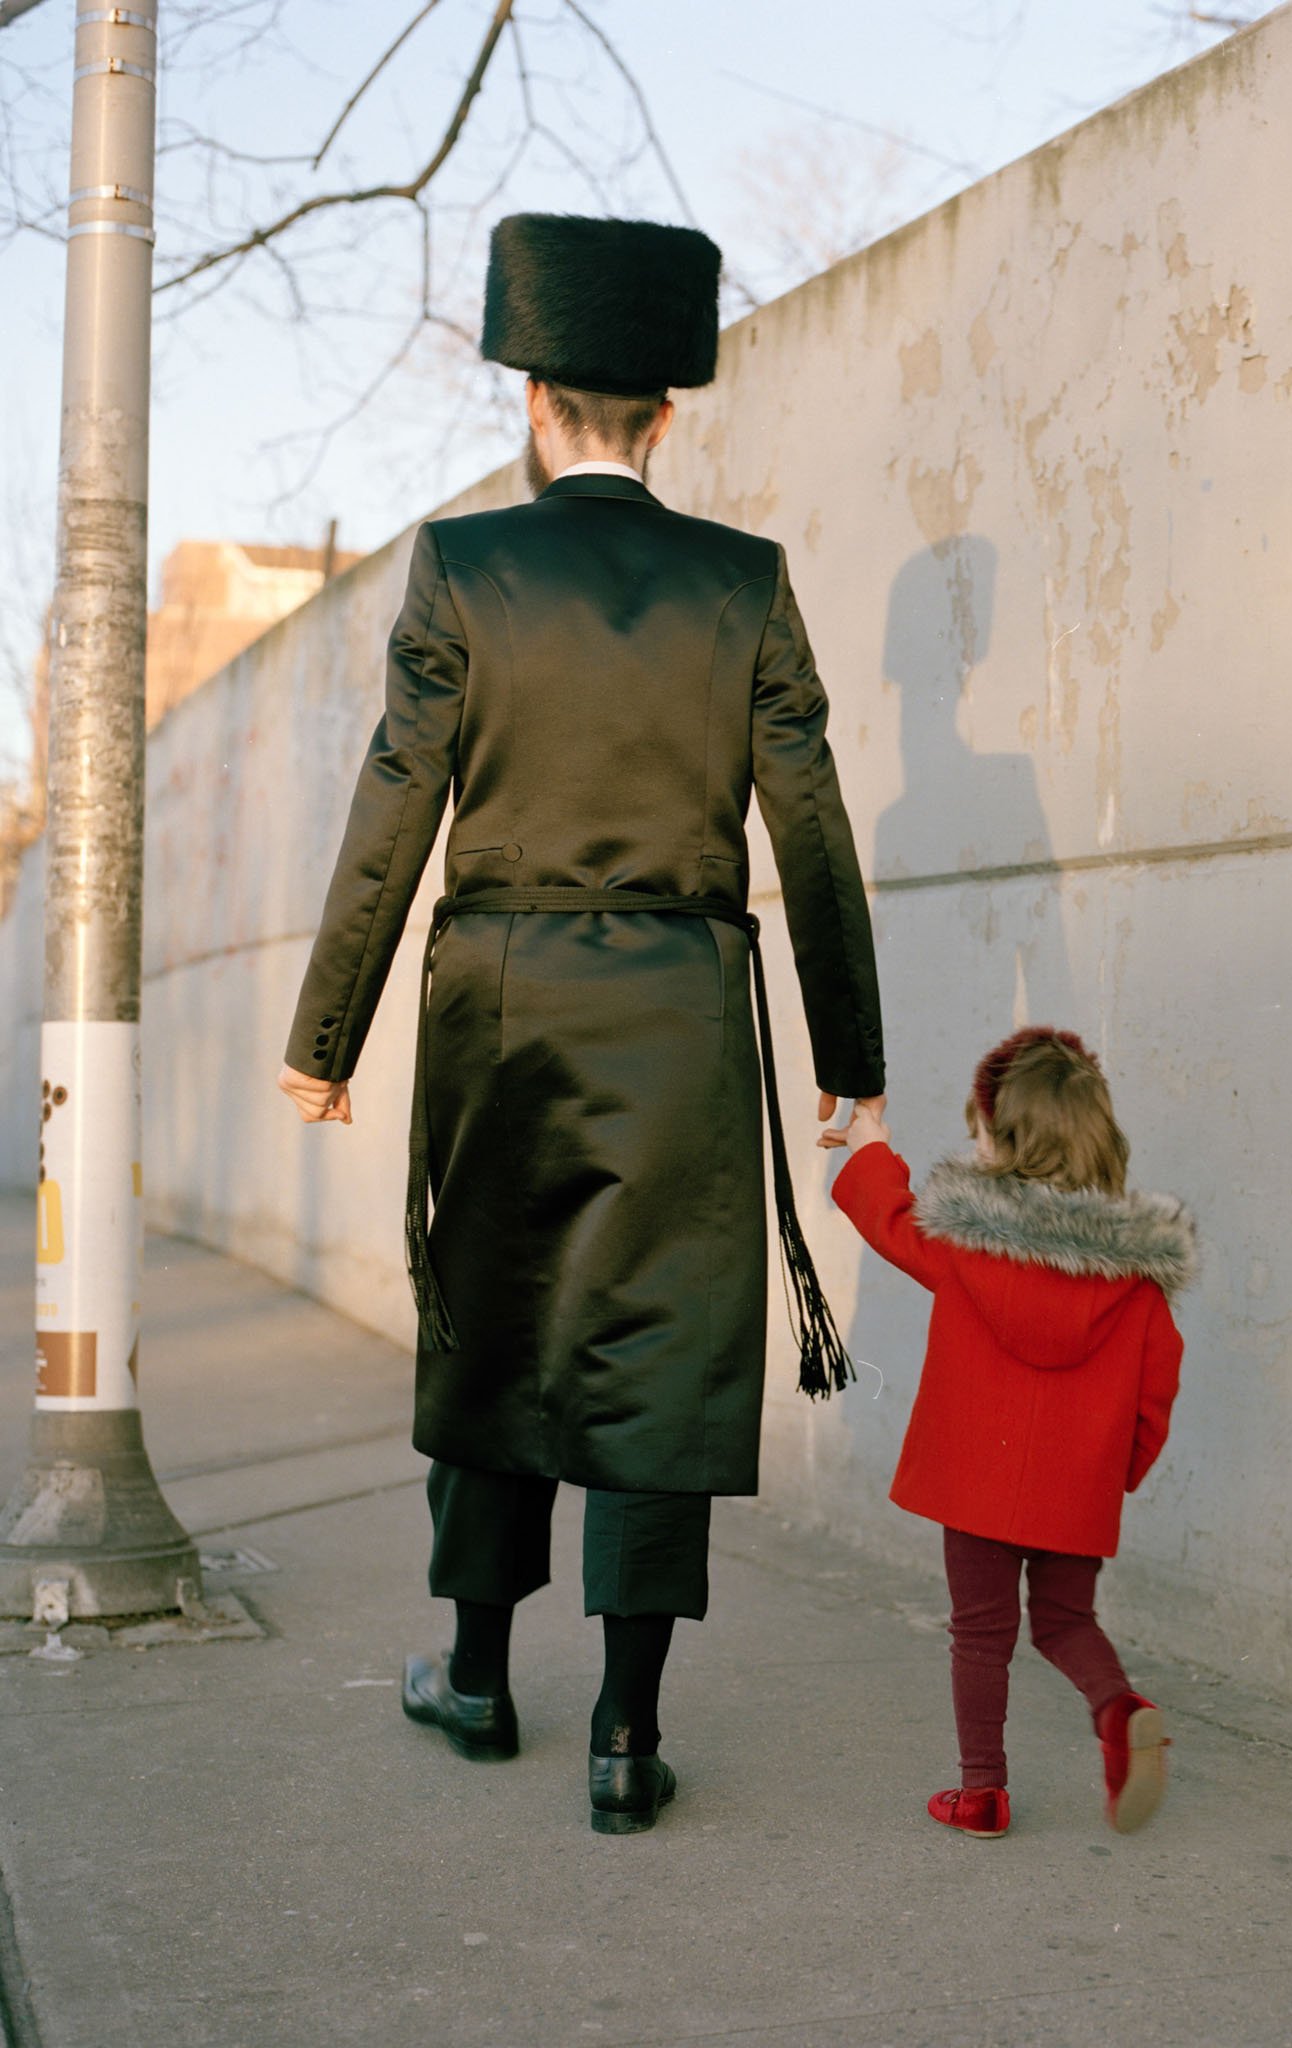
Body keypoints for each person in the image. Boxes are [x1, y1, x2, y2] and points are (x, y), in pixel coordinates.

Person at [274, 213, 885, 1836]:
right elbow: (809, 829)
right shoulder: (741, 581)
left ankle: (475, 1673)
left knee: (492, 1316)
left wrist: (323, 1033)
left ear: (533, 401)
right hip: (683, 1007)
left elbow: (390, 810)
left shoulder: (464, 571)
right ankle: (626, 1731)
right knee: (661, 1355)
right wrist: (853, 1068)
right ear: (663, 417)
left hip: (501, 1004)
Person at [826, 1028, 1195, 1837]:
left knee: (980, 1633)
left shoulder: (966, 1249)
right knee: (1065, 1622)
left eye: (980, 1130)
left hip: (977, 1484)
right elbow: (1155, 1397)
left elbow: (885, 1216)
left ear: (1006, 1143)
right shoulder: (1136, 1284)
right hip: (1076, 1487)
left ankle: (983, 1791)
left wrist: (870, 1140)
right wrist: (1112, 1472)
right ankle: (1118, 1707)